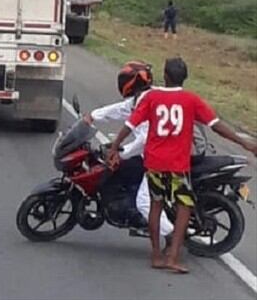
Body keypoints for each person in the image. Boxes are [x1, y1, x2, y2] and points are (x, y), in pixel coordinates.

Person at [108, 57, 257, 273]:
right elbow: (217, 126)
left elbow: (130, 125)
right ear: (185, 78)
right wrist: (245, 143)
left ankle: (156, 256)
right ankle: (173, 257)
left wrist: (114, 146)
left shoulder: (152, 98)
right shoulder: (191, 100)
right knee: (184, 206)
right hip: (177, 164)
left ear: (165, 77)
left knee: (155, 206)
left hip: (154, 163)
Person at [84, 61, 174, 238]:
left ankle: (170, 237)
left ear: (132, 82)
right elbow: (121, 109)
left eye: (124, 79)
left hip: (159, 156)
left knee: (144, 202)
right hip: (156, 152)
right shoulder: (142, 97)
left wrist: (121, 152)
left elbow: (146, 139)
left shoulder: (147, 100)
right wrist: (93, 116)